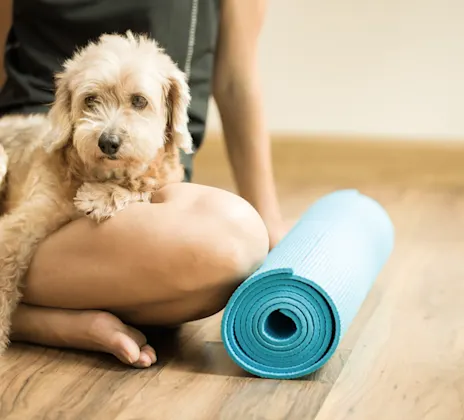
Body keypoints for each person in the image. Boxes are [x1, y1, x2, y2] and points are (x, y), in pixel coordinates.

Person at [0, 0, 287, 367]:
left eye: (138, 101)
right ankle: (37, 323)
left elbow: (235, 80)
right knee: (217, 254)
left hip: (149, 175)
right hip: (41, 135)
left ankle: (38, 305)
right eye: (92, 101)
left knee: (230, 252)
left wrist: (270, 220)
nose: (111, 130)